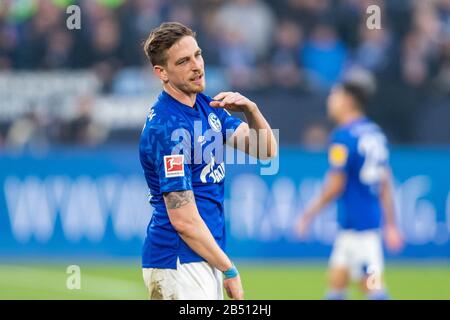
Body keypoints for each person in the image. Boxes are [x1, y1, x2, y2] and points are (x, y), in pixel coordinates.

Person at [139, 22, 277, 300]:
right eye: (183, 61)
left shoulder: (205, 107)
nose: (196, 65)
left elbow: (265, 151)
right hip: (178, 259)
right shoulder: (167, 128)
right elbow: (183, 219)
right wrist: (229, 269)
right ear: (161, 72)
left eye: (197, 55)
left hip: (202, 255)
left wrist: (252, 110)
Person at [295, 69, 403, 300]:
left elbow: (335, 185)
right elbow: (385, 181)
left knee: (374, 289)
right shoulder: (375, 133)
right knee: (337, 284)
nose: (330, 101)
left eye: (334, 95)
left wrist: (308, 214)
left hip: (361, 231)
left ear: (348, 100)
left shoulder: (343, 137)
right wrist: (391, 224)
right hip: (357, 229)